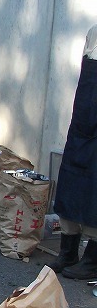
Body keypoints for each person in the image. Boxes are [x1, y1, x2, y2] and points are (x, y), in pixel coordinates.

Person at [50, 24, 97, 280]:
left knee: (94, 193)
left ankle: (92, 260)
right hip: (82, 123)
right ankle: (67, 251)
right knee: (70, 184)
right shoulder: (94, 31)